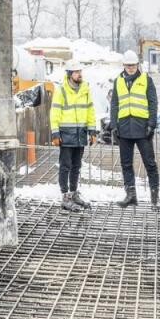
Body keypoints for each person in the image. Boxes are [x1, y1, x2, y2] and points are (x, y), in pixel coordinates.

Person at [110, 50, 159, 207]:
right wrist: (114, 125)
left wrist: (152, 124)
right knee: (126, 164)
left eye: (133, 65)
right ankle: (131, 196)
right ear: (124, 65)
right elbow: (114, 104)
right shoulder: (118, 81)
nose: (130, 68)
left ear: (137, 65)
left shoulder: (146, 80)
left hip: (142, 128)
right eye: (128, 65)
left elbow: (153, 103)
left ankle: (154, 198)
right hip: (124, 128)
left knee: (149, 163)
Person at [50, 61, 97, 211]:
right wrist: (55, 133)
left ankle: (74, 193)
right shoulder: (61, 90)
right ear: (70, 74)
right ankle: (65, 196)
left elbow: (90, 111)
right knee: (65, 166)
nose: (80, 74)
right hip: (66, 134)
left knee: (76, 166)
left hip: (80, 134)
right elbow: (55, 113)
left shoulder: (85, 89)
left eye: (80, 71)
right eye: (76, 72)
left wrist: (92, 131)